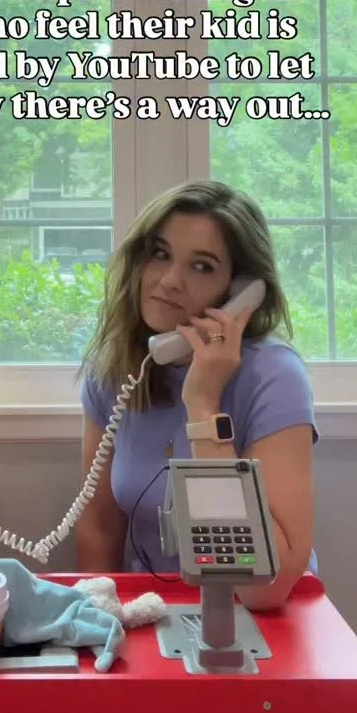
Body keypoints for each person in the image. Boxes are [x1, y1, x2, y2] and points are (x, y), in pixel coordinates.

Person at [76, 180, 318, 611]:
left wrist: (204, 408)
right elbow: (100, 529)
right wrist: (102, 622)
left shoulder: (274, 376)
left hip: (264, 617)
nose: (170, 281)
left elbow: (264, 589)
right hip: (152, 610)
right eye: (160, 254)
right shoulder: (116, 368)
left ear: (241, 291)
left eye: (202, 266)